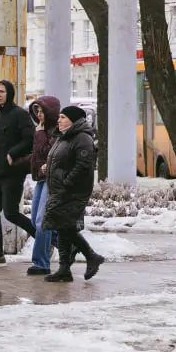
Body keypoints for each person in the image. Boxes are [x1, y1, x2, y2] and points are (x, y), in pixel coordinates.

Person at [0, 80, 37, 267]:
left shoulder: (20, 115)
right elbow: (3, 146)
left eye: (2, 91)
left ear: (9, 93)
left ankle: (47, 239)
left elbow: (30, 140)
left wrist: (14, 153)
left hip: (13, 173)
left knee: (11, 213)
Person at [42, 105, 103, 282]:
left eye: (63, 117)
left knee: (64, 226)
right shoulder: (64, 136)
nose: (59, 120)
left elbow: (84, 164)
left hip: (73, 191)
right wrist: (50, 167)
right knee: (63, 227)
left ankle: (91, 256)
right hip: (61, 189)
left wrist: (67, 181)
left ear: (73, 120)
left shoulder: (82, 138)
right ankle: (64, 269)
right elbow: (62, 160)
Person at [25, 95, 61, 276]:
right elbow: (35, 156)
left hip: (51, 180)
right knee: (35, 222)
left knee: (42, 223)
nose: (39, 114)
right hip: (40, 179)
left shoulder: (56, 132)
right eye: (37, 110)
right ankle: (69, 245)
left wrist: (39, 134)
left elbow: (47, 152)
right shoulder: (41, 129)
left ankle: (41, 264)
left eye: (42, 110)